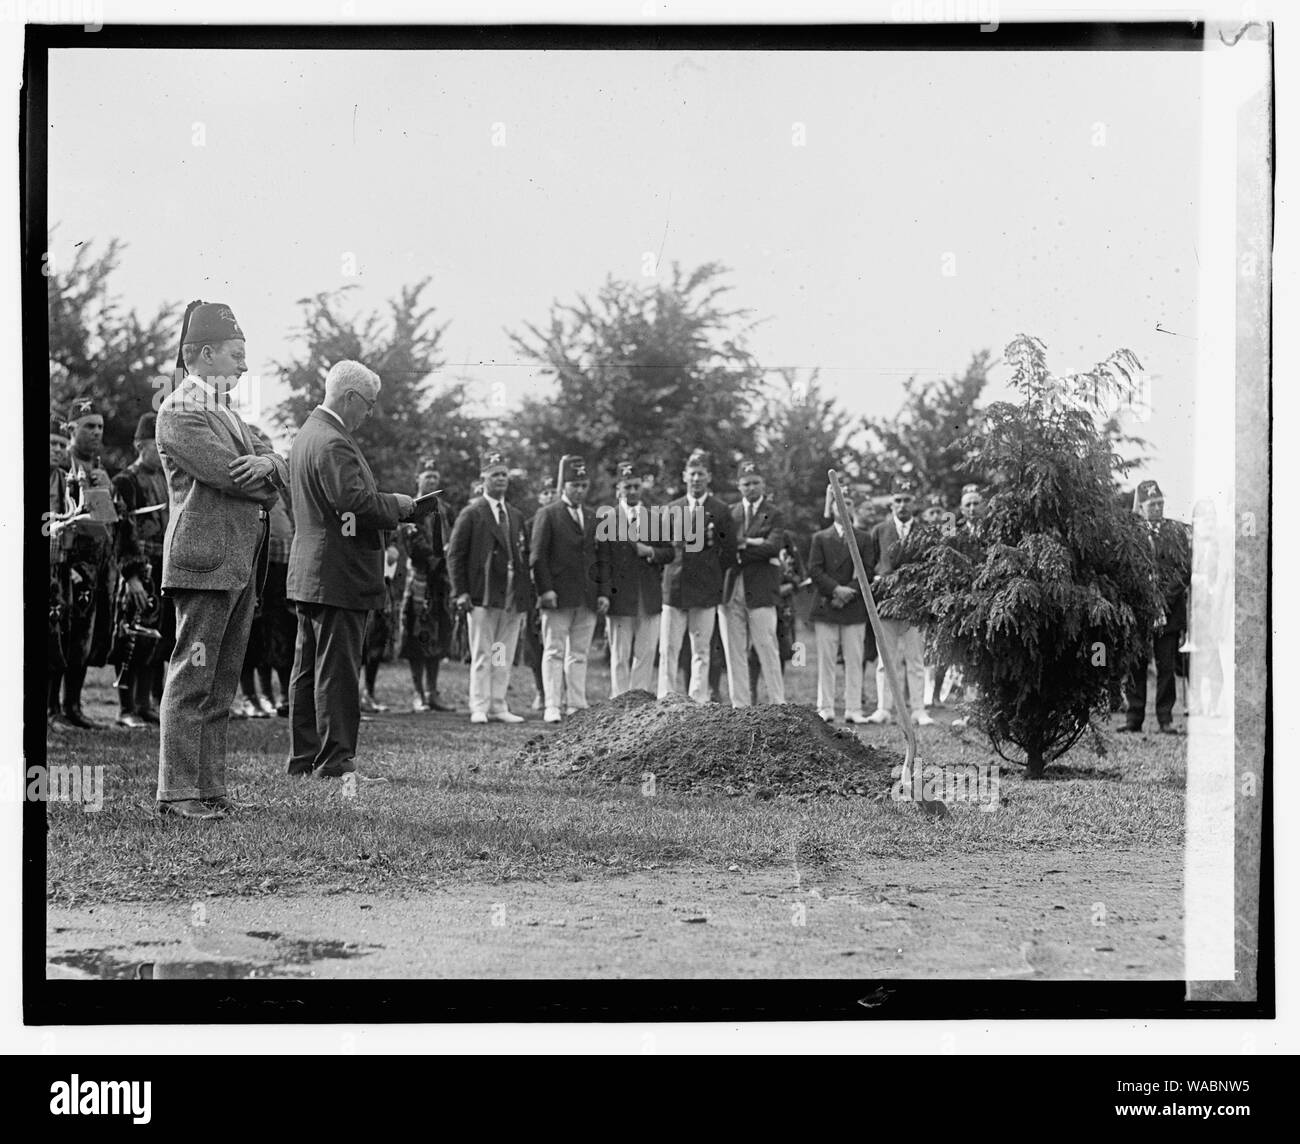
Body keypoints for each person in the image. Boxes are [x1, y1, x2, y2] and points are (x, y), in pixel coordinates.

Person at [155, 301, 289, 819]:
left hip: (233, 562)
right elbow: (237, 476)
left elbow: (271, 461)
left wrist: (269, 465)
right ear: (204, 353)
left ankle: (207, 788)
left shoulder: (226, 411)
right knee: (193, 676)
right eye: (236, 355)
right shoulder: (180, 411)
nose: (244, 367)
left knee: (221, 681)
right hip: (205, 561)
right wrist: (267, 472)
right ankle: (178, 792)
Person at [285, 360, 417, 777]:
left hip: (312, 572)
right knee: (338, 671)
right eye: (370, 405)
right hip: (339, 574)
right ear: (351, 398)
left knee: (307, 669)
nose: (370, 414)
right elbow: (354, 503)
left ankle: (305, 758)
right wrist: (399, 505)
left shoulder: (308, 435)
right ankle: (337, 761)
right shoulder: (334, 442)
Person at [447, 450, 530, 724]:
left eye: (505, 474)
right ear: (483, 479)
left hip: (509, 594)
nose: (501, 479)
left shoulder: (515, 515)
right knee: (483, 651)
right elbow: (456, 555)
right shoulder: (473, 513)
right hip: (481, 593)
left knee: (500, 652)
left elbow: (522, 554)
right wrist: (460, 592)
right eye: (495, 475)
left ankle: (497, 704)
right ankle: (479, 705)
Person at [58, 400, 125, 730]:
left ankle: (73, 705)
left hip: (100, 565)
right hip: (68, 563)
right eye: (89, 426)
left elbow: (117, 517)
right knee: (63, 634)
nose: (96, 432)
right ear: (71, 430)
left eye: (100, 426)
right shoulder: (61, 465)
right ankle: (54, 709)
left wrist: (108, 490)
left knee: (86, 638)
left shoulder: (101, 467)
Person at [529, 455, 610, 722]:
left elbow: (600, 558)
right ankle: (552, 704)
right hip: (557, 596)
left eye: (583, 485)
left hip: (586, 595)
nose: (579, 490)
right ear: (564, 486)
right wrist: (545, 590)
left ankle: (576, 703)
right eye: (574, 485)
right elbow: (538, 557)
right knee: (553, 651)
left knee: (579, 652)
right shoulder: (548, 514)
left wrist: (602, 592)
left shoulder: (592, 516)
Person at [657, 449, 737, 703]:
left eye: (701, 474)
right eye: (692, 474)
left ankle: (698, 699)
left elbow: (729, 552)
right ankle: (666, 697)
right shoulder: (671, 509)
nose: (696, 479)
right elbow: (663, 548)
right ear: (684, 476)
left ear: (709, 477)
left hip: (705, 589)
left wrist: (711, 574)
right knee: (669, 647)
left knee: (701, 650)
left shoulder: (721, 510)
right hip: (675, 587)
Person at [110, 412, 173, 727]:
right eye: (155, 445)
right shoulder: (124, 480)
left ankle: (146, 703)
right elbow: (120, 530)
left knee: (156, 638)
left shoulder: (165, 480)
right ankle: (125, 709)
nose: (161, 452)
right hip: (137, 570)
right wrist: (131, 575)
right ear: (139, 445)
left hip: (162, 567)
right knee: (130, 636)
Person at [1120, 479, 1191, 734]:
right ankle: (1134, 717)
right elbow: (1125, 570)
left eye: (1160, 503)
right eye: (1152, 504)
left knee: (1166, 666)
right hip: (1140, 611)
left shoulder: (1175, 532)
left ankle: (1165, 718)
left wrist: (1162, 601)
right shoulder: (1132, 535)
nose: (1157, 509)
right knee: (1136, 664)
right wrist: (1145, 602)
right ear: (1141, 507)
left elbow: (1183, 570)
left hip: (1169, 612)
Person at [866, 476, 933, 726]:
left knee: (916, 660)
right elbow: (871, 566)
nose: (902, 505)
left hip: (914, 606)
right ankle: (884, 708)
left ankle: (918, 709)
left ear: (914, 503)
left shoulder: (925, 531)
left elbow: (930, 567)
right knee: (886, 661)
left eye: (907, 500)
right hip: (885, 604)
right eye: (898, 500)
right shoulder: (880, 531)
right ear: (891, 504)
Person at [718, 459, 786, 707]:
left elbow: (774, 547)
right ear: (739, 485)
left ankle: (777, 702)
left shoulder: (774, 513)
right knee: (734, 650)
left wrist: (742, 545)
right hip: (731, 588)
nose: (751, 487)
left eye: (756, 482)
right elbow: (724, 548)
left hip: (760, 589)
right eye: (746, 483)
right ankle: (740, 704)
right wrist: (755, 543)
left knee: (767, 646)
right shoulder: (730, 512)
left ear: (763, 484)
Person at [808, 491, 877, 723]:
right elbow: (815, 569)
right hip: (827, 605)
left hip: (853, 605)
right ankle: (825, 706)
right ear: (833, 507)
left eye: (847, 503)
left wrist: (848, 591)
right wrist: (835, 590)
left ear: (853, 508)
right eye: (838, 504)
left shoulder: (864, 538)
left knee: (854, 659)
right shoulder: (820, 537)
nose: (843, 507)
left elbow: (867, 570)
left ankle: (853, 708)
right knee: (826, 659)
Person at [602, 461, 669, 697]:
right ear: (618, 488)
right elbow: (602, 559)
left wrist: (650, 551)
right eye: (627, 486)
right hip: (620, 595)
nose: (632, 491)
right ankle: (619, 698)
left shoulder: (654, 517)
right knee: (620, 652)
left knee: (647, 649)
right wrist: (604, 593)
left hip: (648, 594)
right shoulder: (608, 518)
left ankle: (639, 698)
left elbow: (669, 552)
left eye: (636, 486)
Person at [398, 465, 455, 712]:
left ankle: (433, 691)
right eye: (427, 476)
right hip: (420, 577)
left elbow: (451, 539)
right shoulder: (412, 506)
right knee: (416, 635)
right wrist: (435, 556)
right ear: (418, 478)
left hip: (440, 580)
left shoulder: (446, 509)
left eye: (436, 476)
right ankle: (418, 693)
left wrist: (446, 558)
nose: (432, 480)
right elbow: (413, 543)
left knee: (439, 633)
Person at [522, 478, 557, 710]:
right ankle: (541, 691)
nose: (550, 495)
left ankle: (556, 692)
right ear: (540, 497)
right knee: (535, 644)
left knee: (556, 643)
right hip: (533, 590)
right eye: (545, 492)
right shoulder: (529, 524)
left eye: (553, 491)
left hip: (559, 587)